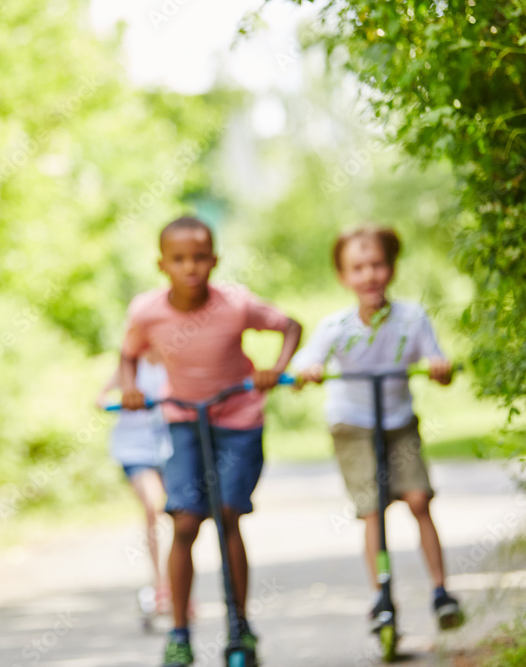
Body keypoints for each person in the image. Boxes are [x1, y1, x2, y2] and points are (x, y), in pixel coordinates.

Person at [120, 216, 303, 667]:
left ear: (214, 261)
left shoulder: (236, 304)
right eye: (179, 259)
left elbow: (291, 326)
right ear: (162, 264)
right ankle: (179, 631)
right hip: (183, 419)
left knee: (226, 515)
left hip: (238, 421)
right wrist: (130, 389)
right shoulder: (147, 312)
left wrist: (274, 369)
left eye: (200, 258)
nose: (191, 268)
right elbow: (128, 353)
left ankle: (240, 627)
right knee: (184, 520)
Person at [290, 225, 464, 632]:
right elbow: (301, 366)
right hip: (352, 425)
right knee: (373, 511)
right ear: (343, 277)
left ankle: (441, 591)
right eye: (357, 268)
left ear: (392, 268)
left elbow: (438, 364)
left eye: (377, 265)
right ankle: (381, 594)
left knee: (419, 499)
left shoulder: (412, 318)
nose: (369, 275)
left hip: (398, 421)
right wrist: (308, 372)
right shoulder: (336, 326)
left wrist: (440, 369)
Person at [97, 350, 174, 617]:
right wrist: (119, 401)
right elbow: (100, 398)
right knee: (153, 507)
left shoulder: (174, 361)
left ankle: (178, 581)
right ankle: (160, 582)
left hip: (170, 446)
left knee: (180, 513)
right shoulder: (130, 366)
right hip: (134, 450)